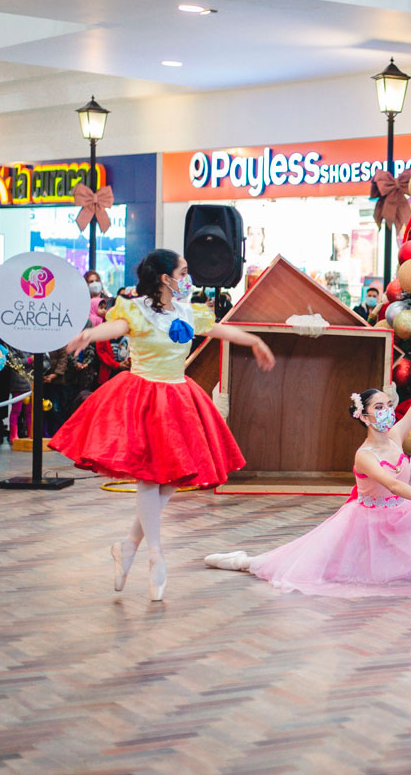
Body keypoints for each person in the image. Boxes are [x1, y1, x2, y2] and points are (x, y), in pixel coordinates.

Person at [50, 248, 276, 602]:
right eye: (182, 272)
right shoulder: (135, 309)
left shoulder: (188, 311)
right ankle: (156, 555)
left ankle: (128, 547)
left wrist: (256, 340)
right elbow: (116, 327)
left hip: (179, 398)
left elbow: (221, 330)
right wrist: (88, 336)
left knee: (169, 480)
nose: (187, 278)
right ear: (164, 277)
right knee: (150, 476)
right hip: (143, 396)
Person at [204, 347, 411, 594]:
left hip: (400, 514)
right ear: (365, 416)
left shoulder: (395, 436)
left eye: (388, 404)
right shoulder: (364, 456)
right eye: (379, 407)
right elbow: (393, 486)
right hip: (368, 522)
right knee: (308, 565)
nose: (387, 410)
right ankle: (244, 561)